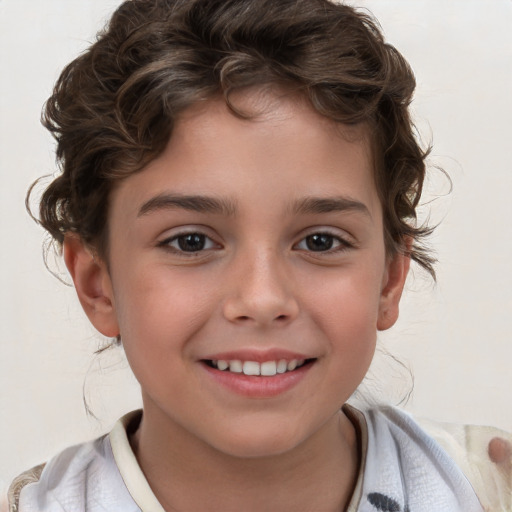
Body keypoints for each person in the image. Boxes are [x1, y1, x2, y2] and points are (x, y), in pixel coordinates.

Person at [8, 0, 511, 510]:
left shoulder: (487, 490)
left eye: (320, 241)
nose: (262, 298)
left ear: (388, 280)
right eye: (191, 241)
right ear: (98, 284)